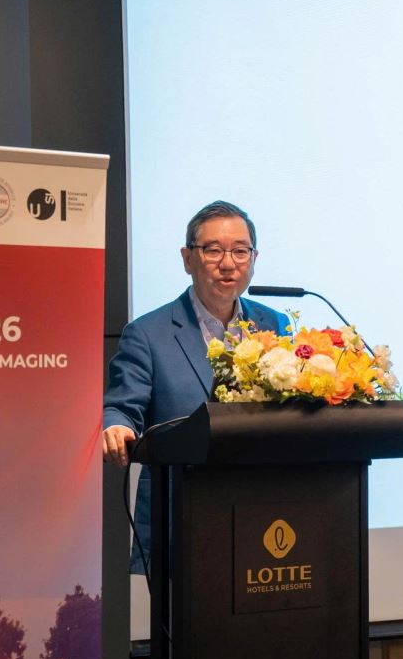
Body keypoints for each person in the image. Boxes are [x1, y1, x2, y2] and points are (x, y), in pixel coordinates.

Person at [103, 200, 291, 570]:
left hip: (263, 512)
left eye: (240, 251)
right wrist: (117, 425)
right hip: (181, 515)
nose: (228, 263)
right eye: (213, 250)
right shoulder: (147, 333)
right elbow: (122, 406)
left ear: (254, 258)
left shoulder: (276, 325)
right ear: (188, 258)